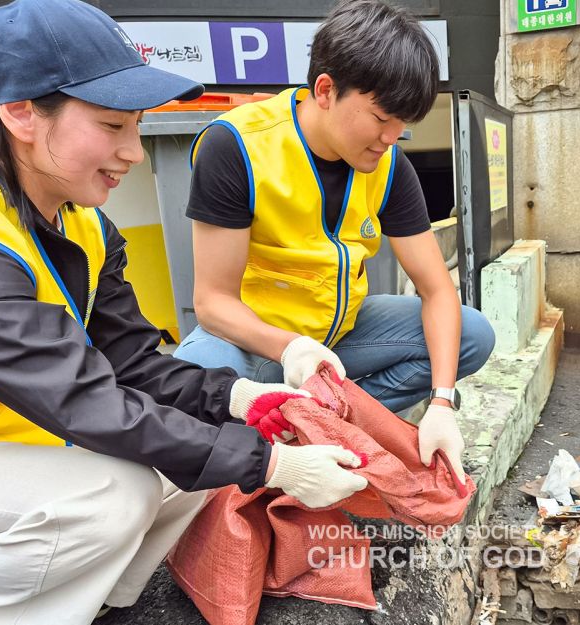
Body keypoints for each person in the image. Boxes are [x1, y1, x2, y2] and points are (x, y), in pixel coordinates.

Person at [0, 2, 369, 624]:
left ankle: (106, 605)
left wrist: (244, 402)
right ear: (21, 112)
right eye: (112, 126)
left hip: (5, 454)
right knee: (118, 490)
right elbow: (83, 401)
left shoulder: (81, 221)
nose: (133, 152)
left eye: (136, 125)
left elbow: (131, 363)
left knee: (205, 458)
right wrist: (274, 464)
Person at [172, 0, 495, 482]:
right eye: (381, 117)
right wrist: (290, 349)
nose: (391, 137)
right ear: (325, 90)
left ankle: (323, 425)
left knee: (471, 335)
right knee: (188, 385)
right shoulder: (236, 146)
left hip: (339, 335)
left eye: (402, 122)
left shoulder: (389, 165)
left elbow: (436, 290)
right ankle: (281, 430)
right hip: (249, 342)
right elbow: (212, 302)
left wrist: (442, 403)